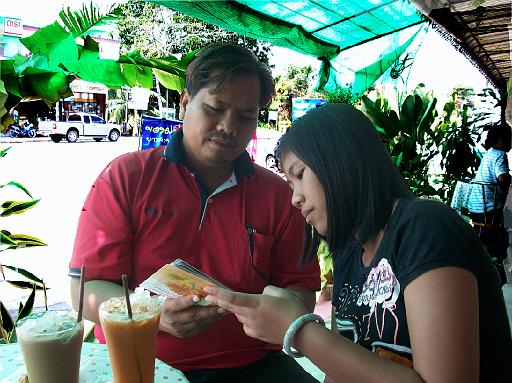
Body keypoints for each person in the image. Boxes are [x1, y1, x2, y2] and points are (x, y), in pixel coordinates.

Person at [205, 103, 512, 382]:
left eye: (300, 175)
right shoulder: (350, 253)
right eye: (289, 183)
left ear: (341, 160)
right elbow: (343, 369)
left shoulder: (424, 227)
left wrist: (298, 331)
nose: (295, 198)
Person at [68, 42, 320, 382]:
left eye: (246, 116)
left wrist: (275, 310)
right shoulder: (127, 178)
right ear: (185, 103)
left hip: (252, 364)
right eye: (216, 108)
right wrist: (151, 313)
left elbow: (301, 293)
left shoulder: (279, 195)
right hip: (142, 361)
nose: (229, 127)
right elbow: (86, 292)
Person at [468, 121, 511, 285]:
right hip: (489, 209)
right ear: (499, 140)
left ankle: (484, 265)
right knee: (498, 239)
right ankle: (496, 272)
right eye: (509, 140)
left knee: (486, 238)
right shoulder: (500, 155)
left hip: (477, 207)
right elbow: (501, 178)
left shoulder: (488, 154)